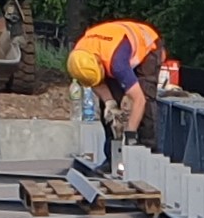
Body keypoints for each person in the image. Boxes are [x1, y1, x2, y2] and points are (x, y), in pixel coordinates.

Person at [66, 19, 168, 151]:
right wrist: (110, 102)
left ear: (99, 63)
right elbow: (94, 81)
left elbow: (139, 100)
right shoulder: (79, 59)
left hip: (147, 45)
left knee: (145, 96)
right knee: (112, 107)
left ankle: (146, 149)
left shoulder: (117, 64)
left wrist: (130, 133)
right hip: (114, 47)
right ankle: (112, 153)